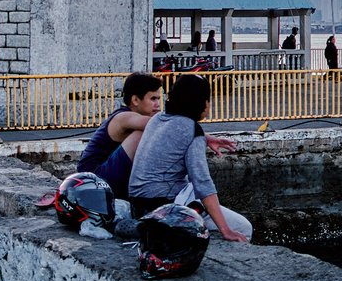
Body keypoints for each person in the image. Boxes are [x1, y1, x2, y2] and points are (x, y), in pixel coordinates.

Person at [128, 73, 251, 243]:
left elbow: (176, 135)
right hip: (163, 206)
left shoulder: (157, 119)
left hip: (138, 203)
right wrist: (226, 230)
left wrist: (206, 139)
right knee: (244, 228)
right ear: (203, 103)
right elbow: (203, 183)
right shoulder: (193, 130)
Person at [78, 73, 236, 201]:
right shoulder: (124, 117)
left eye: (159, 99)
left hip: (105, 175)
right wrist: (204, 136)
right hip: (95, 178)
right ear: (135, 100)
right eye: (153, 99)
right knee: (145, 134)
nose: (158, 105)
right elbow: (164, 126)